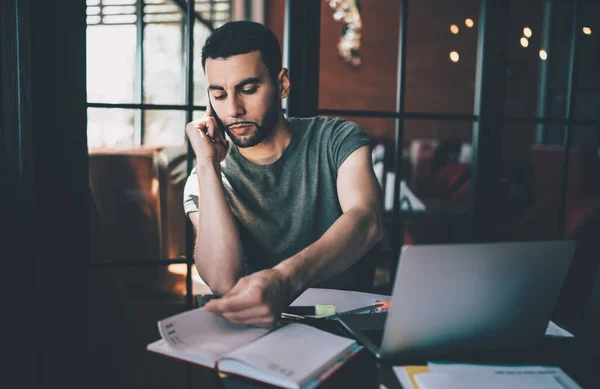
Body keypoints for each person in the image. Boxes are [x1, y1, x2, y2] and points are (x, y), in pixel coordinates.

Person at [183, 20, 384, 327]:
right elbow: (223, 281)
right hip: (258, 334)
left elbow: (367, 221)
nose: (234, 109)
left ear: (282, 84)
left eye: (248, 89)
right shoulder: (204, 177)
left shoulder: (337, 139)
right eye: (219, 95)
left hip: (346, 327)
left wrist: (284, 279)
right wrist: (207, 164)